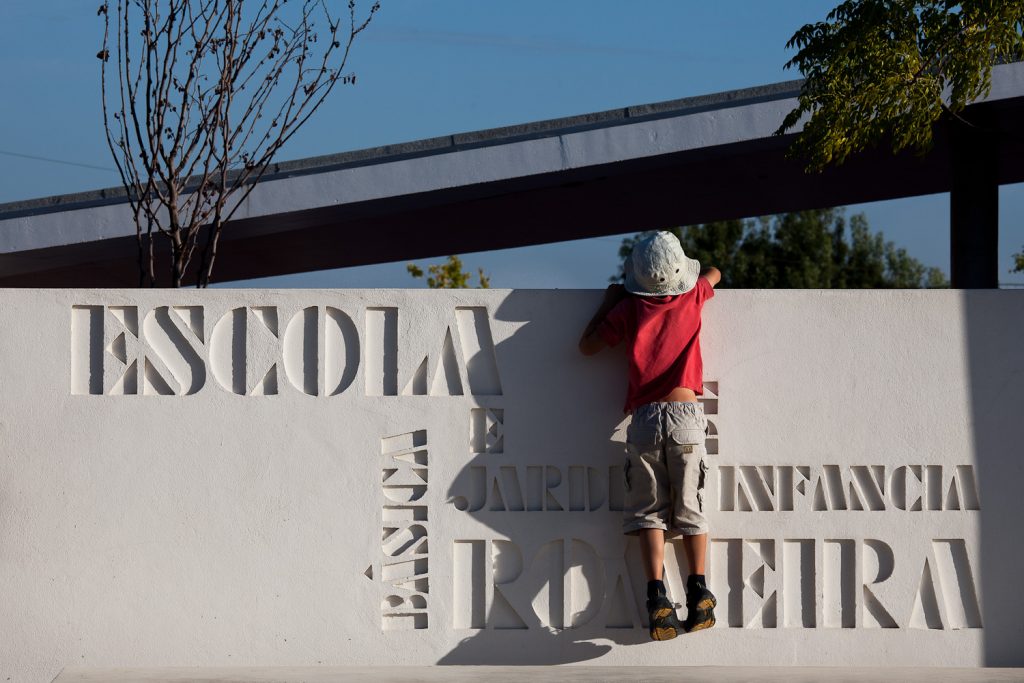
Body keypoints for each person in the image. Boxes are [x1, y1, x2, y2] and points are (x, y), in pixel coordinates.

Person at [578, 230, 721, 641]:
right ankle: (698, 587)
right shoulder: (693, 295)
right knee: (690, 504)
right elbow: (715, 272)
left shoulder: (627, 310)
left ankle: (657, 595)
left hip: (643, 419)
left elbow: (586, 347)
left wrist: (610, 301)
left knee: (649, 510)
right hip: (686, 414)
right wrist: (697, 277)